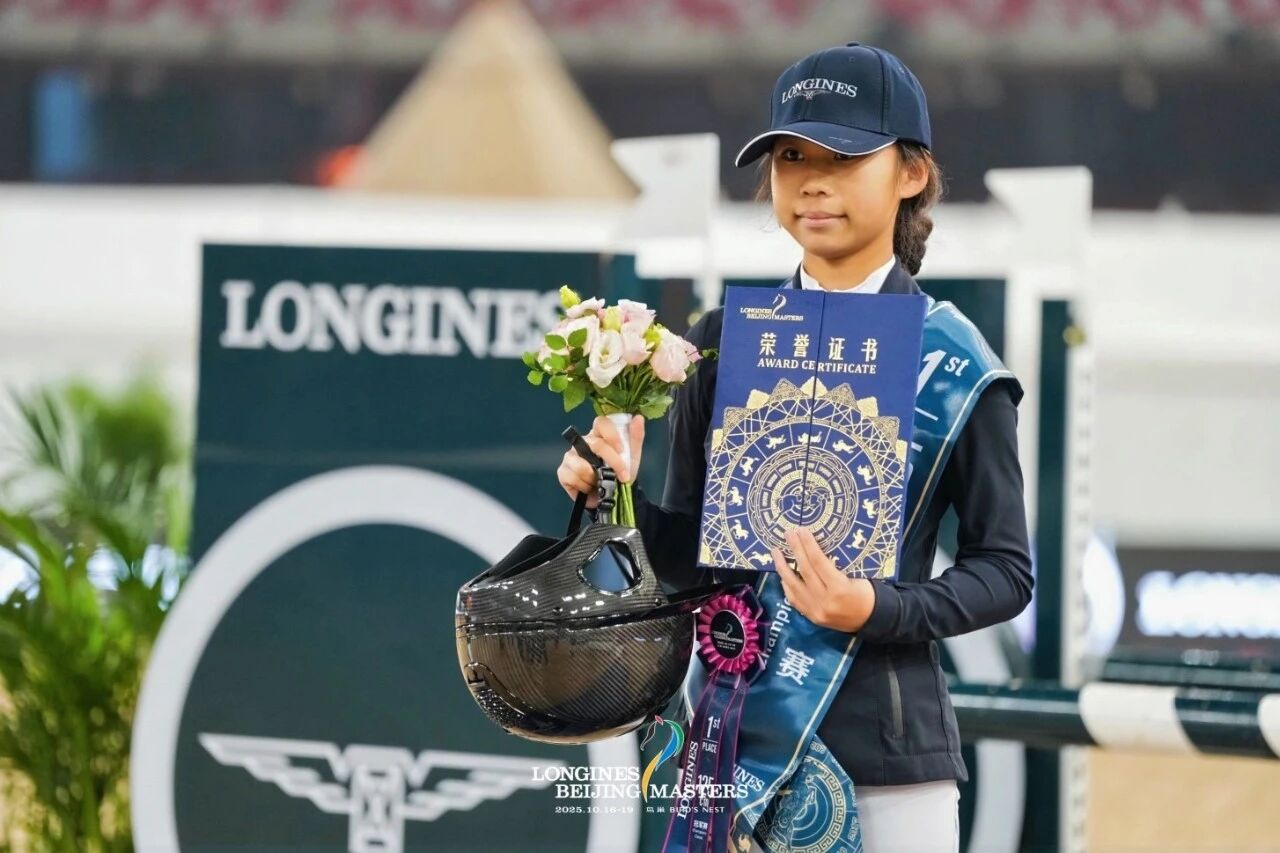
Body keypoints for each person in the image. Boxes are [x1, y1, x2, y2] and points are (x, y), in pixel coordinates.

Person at [557, 42, 1033, 853]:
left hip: (892, 769)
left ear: (912, 173)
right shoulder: (721, 343)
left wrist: (876, 608)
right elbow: (695, 563)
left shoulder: (953, 360)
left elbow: (1005, 569)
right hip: (732, 757)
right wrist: (613, 495)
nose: (812, 181)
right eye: (790, 156)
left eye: (844, 157)